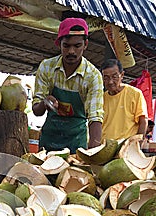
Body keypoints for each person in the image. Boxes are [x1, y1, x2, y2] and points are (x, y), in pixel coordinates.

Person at [32, 17, 104, 153]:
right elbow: (36, 110)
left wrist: (93, 153)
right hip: (49, 139)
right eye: (66, 45)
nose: (71, 51)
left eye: (77, 46)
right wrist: (44, 102)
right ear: (59, 44)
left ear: (86, 44)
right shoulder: (47, 67)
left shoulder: (93, 76)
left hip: (76, 142)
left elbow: (95, 117)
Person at [101, 59, 148, 141]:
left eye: (114, 77)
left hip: (126, 145)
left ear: (122, 75)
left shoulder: (135, 94)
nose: (110, 82)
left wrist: (138, 143)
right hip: (105, 146)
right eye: (106, 78)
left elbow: (143, 121)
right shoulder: (101, 98)